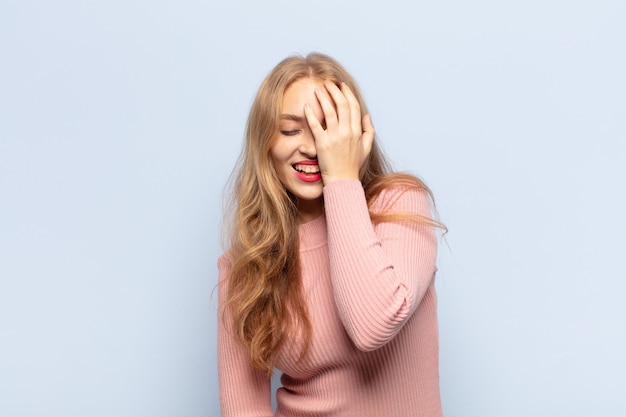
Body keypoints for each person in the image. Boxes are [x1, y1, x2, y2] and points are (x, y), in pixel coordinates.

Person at [217, 52, 446, 417]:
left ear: (353, 135)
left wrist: (341, 177)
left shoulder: (399, 205)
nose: (311, 147)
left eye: (327, 131)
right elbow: (243, 407)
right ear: (265, 144)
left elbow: (372, 325)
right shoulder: (245, 265)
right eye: (290, 130)